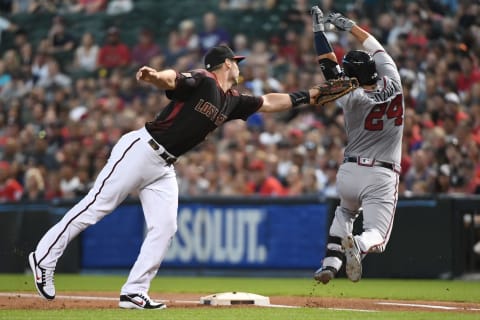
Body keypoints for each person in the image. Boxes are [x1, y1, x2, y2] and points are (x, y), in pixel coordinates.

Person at [28, 45, 325, 309]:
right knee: (96, 206)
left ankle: (134, 292)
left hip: (164, 166)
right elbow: (175, 79)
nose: (239, 65)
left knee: (166, 226)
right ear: (225, 65)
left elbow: (270, 102)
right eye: (235, 61)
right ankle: (43, 258)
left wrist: (311, 95)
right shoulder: (205, 80)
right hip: (141, 150)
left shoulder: (231, 100)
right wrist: (156, 77)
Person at [309, 7, 404, 284]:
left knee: (344, 211)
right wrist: (350, 27)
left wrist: (319, 32)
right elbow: (376, 47)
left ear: (351, 76)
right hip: (381, 174)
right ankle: (359, 246)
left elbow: (328, 64)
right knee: (377, 235)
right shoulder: (394, 81)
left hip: (350, 172)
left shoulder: (350, 96)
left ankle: (329, 264)